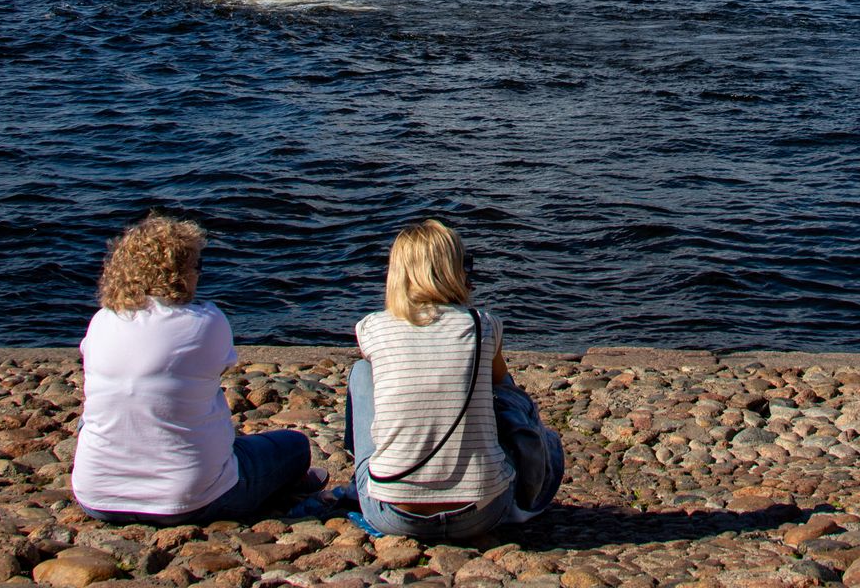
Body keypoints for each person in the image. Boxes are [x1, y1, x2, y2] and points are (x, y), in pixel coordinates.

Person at [72, 216, 322, 524]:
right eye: (196, 266)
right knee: (294, 446)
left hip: (96, 496)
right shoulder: (205, 322)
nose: (199, 273)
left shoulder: (101, 322)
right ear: (180, 272)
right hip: (192, 499)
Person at [348, 220, 528, 541]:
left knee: (363, 373)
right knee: (500, 391)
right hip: (483, 513)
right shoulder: (483, 325)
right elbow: (507, 389)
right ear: (456, 271)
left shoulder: (372, 327)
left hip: (393, 516)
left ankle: (377, 477)